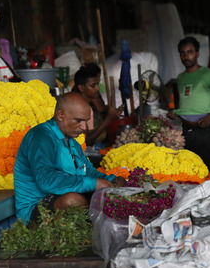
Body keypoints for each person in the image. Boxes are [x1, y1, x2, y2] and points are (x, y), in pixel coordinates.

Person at [14, 92, 126, 223]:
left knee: (108, 194)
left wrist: (110, 180)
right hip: (36, 207)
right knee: (72, 201)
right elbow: (45, 180)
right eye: (79, 121)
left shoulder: (72, 142)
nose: (84, 128)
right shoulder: (41, 137)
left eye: (85, 121)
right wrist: (94, 183)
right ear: (60, 115)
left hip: (60, 196)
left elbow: (87, 171)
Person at [169, 36, 210, 171]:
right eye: (183, 53)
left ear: (197, 53)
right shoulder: (180, 78)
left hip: (204, 131)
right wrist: (176, 112)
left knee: (208, 171)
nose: (186, 56)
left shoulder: (209, 75)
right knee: (188, 171)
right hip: (185, 132)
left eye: (190, 52)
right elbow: (185, 104)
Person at [72, 63, 123, 146]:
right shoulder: (77, 108)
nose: (98, 88)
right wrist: (108, 119)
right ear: (81, 88)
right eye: (93, 86)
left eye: (97, 84)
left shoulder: (86, 106)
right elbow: (87, 142)